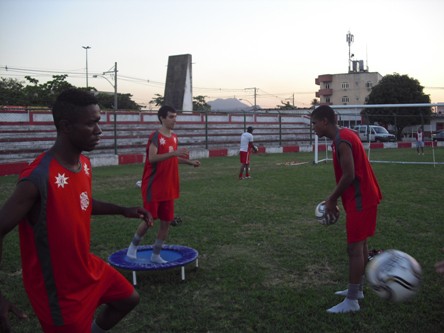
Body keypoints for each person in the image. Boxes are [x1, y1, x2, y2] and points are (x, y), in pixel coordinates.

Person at [0, 89, 153, 333]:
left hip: (86, 268)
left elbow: (80, 202)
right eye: (91, 123)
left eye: (98, 122)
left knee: (128, 299)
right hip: (59, 292)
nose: (99, 130)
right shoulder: (37, 178)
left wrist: (123, 210)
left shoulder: (84, 164)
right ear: (66, 126)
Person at [311, 105, 382, 314]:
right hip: (361, 198)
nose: (313, 128)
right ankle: (357, 290)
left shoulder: (342, 140)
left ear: (324, 121)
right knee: (360, 246)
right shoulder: (345, 134)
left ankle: (352, 301)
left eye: (314, 123)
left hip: (361, 199)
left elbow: (349, 175)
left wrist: (331, 199)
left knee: (354, 249)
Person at [126, 105, 200, 263]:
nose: (175, 120)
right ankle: (132, 249)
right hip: (154, 186)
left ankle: (156, 255)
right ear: (162, 118)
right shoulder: (155, 136)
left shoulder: (174, 136)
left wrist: (189, 162)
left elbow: (172, 158)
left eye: (175, 117)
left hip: (168, 187)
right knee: (149, 220)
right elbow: (152, 158)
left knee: (166, 221)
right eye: (171, 117)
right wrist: (174, 153)